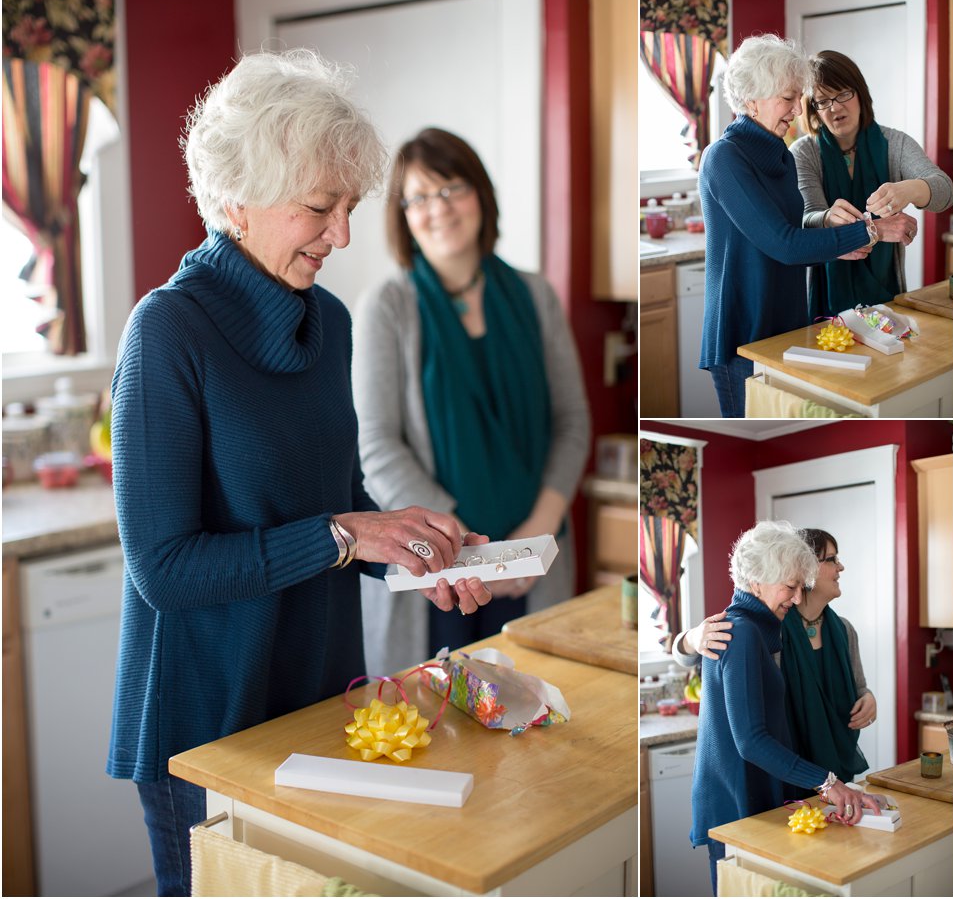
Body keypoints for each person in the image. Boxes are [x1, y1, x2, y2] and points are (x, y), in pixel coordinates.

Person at [105, 50, 494, 897]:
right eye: (319, 207)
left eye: (349, 206)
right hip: (206, 723)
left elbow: (338, 504)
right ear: (237, 198)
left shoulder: (330, 324)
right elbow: (163, 569)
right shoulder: (167, 332)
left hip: (315, 702)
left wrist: (415, 550)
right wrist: (347, 533)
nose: (342, 235)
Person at [353, 127, 590, 675]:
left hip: (536, 560)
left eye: (451, 188)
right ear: (403, 217)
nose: (438, 208)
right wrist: (461, 548)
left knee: (536, 708)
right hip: (436, 570)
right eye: (419, 197)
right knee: (429, 713)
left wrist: (534, 536)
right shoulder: (386, 307)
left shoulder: (536, 296)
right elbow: (377, 445)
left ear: (480, 194)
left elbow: (573, 422)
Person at [688, 521, 880, 895]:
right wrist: (828, 783)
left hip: (749, 797)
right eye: (789, 587)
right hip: (735, 803)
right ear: (757, 581)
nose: (795, 597)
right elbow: (751, 741)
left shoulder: (754, 629)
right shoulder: (742, 633)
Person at [698, 34, 879, 418]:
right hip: (742, 333)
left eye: (799, 97)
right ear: (752, 99)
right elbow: (783, 244)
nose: (798, 109)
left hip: (785, 327)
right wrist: (867, 231)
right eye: (788, 98)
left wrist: (837, 245)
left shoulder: (780, 154)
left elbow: (788, 237)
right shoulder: (723, 158)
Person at [675, 528, 876, 783]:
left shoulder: (843, 630)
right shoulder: (767, 627)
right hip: (789, 767)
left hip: (831, 768)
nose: (841, 567)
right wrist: (692, 637)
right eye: (831, 559)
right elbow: (752, 737)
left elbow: (858, 688)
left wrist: (867, 697)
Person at [793, 50, 953, 319]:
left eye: (843, 94)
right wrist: (830, 218)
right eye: (823, 101)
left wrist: (909, 189)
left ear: (860, 93)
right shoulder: (804, 152)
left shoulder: (895, 143)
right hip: (823, 304)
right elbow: (807, 220)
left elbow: (946, 191)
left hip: (887, 299)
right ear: (813, 109)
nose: (835, 108)